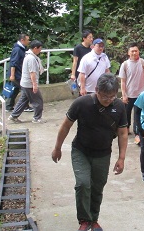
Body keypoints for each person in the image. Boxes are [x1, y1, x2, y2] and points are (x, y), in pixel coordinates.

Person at [51, 73, 128, 231]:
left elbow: (123, 133)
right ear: (97, 90)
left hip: (103, 153)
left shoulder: (119, 106)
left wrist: (121, 158)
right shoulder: (82, 103)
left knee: (98, 187)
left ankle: (94, 219)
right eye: (105, 96)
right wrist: (57, 147)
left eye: (112, 96)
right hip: (81, 151)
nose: (108, 100)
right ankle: (85, 220)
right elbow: (66, 126)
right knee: (83, 184)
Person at [118, 43, 144, 145]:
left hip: (141, 94)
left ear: (138, 51)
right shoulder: (125, 65)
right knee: (126, 113)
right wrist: (124, 94)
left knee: (138, 114)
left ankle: (138, 133)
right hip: (129, 94)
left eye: (136, 51)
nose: (134, 53)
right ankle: (126, 129)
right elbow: (123, 81)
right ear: (128, 53)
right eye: (132, 51)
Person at [8, 40, 45, 124]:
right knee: (38, 101)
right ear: (35, 48)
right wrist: (34, 85)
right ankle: (37, 118)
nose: (40, 51)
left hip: (24, 83)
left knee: (23, 100)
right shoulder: (31, 58)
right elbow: (32, 72)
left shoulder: (28, 56)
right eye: (40, 49)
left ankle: (13, 116)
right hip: (29, 84)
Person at [5, 33, 29, 111]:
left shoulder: (20, 48)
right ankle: (24, 106)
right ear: (22, 40)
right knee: (25, 89)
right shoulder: (18, 49)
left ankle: (9, 106)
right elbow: (13, 63)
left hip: (17, 73)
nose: (28, 42)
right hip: (17, 74)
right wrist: (12, 75)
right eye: (27, 40)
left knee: (14, 90)